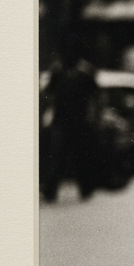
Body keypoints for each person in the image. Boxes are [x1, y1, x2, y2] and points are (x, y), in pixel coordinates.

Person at [40, 56, 98, 203]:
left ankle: (54, 190)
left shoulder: (66, 73)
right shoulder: (76, 73)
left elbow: (48, 91)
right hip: (70, 121)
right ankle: (82, 189)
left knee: (65, 157)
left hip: (70, 121)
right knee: (69, 157)